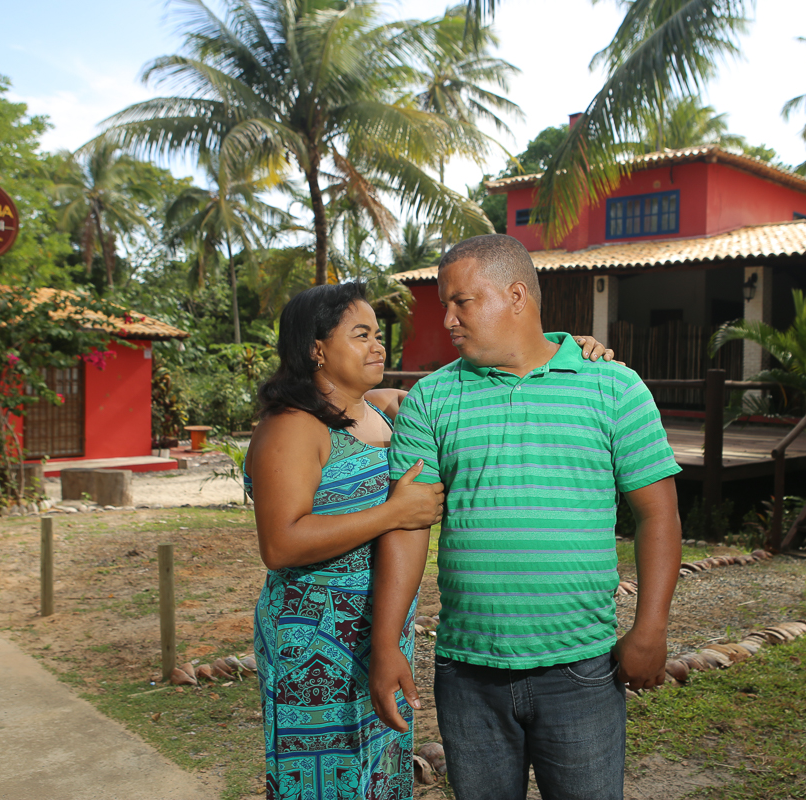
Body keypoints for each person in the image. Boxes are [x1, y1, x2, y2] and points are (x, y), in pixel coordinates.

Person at [245, 281, 616, 800]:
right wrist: (392, 511)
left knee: (377, 773)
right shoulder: (291, 428)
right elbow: (281, 544)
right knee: (325, 778)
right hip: (314, 639)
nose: (378, 346)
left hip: (377, 629)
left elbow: (479, 373)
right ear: (316, 349)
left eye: (378, 334)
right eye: (360, 335)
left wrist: (562, 348)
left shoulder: (376, 409)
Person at [368, 234, 683, 800]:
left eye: (461, 301)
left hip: (582, 668)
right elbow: (408, 524)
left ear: (516, 295)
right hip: (468, 672)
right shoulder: (432, 399)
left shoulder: (612, 386)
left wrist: (651, 626)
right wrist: (388, 640)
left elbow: (656, 514)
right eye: (445, 304)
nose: (447, 319)